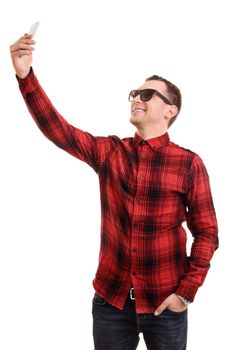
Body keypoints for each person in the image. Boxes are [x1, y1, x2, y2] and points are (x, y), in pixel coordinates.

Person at [10, 34, 218, 350]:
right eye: (135, 93)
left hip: (165, 303)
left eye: (148, 95)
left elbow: (207, 234)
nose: (137, 98)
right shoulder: (111, 152)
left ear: (170, 111)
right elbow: (59, 131)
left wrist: (186, 292)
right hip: (111, 302)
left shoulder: (189, 163)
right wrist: (26, 76)